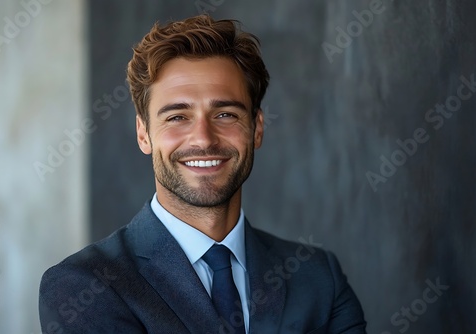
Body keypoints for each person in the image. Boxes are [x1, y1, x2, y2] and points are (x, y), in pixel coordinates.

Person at [39, 14, 366, 334]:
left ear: (257, 129)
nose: (204, 139)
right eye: (177, 117)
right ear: (143, 134)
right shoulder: (84, 286)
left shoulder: (318, 277)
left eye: (225, 114)